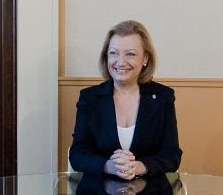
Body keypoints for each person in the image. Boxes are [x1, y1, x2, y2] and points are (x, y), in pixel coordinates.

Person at [69, 20, 182, 178]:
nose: (120, 62)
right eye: (113, 53)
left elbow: (172, 155)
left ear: (145, 58)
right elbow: (77, 155)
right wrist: (109, 166)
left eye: (130, 54)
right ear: (106, 56)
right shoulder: (90, 98)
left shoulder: (163, 97)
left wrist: (139, 167)